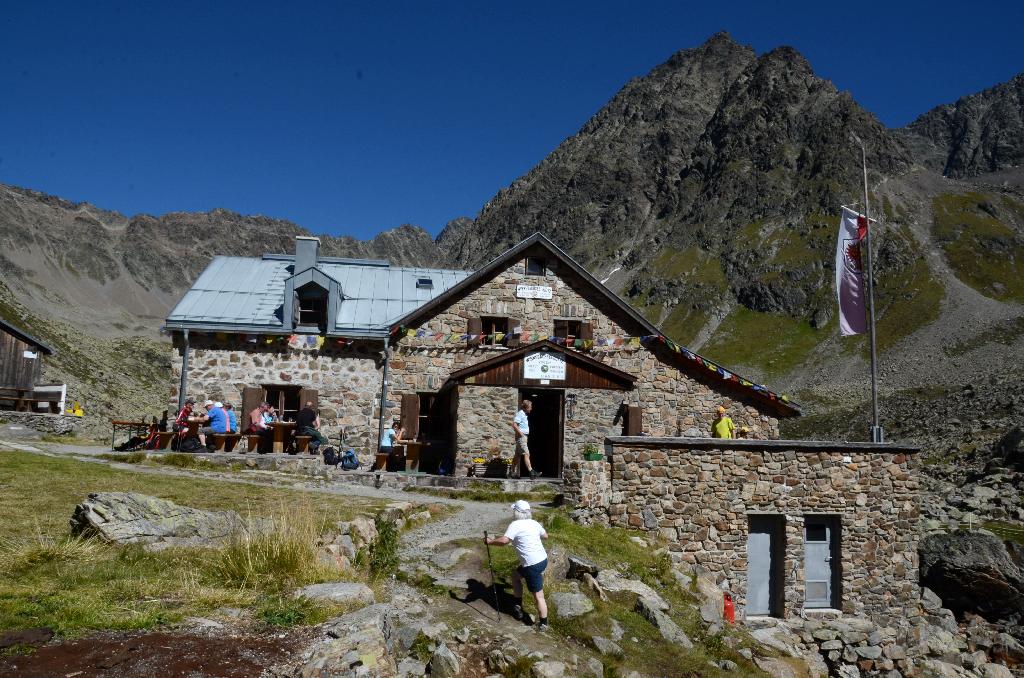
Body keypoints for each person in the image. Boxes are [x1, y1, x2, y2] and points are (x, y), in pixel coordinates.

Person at [485, 499, 549, 631]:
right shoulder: (534, 523)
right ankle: (517, 605)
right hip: (543, 560)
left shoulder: (515, 525)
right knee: (515, 576)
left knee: (538, 596)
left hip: (532, 565)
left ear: (517, 512)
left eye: (514, 510)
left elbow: (504, 541)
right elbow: (546, 536)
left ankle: (543, 623)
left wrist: (490, 542)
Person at [512, 399, 538, 479]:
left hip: (523, 437)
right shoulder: (520, 414)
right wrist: (521, 434)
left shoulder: (524, 414)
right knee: (526, 453)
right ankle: (531, 472)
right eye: (530, 407)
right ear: (526, 407)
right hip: (522, 437)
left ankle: (511, 473)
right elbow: (514, 424)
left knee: (517, 456)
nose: (531, 408)